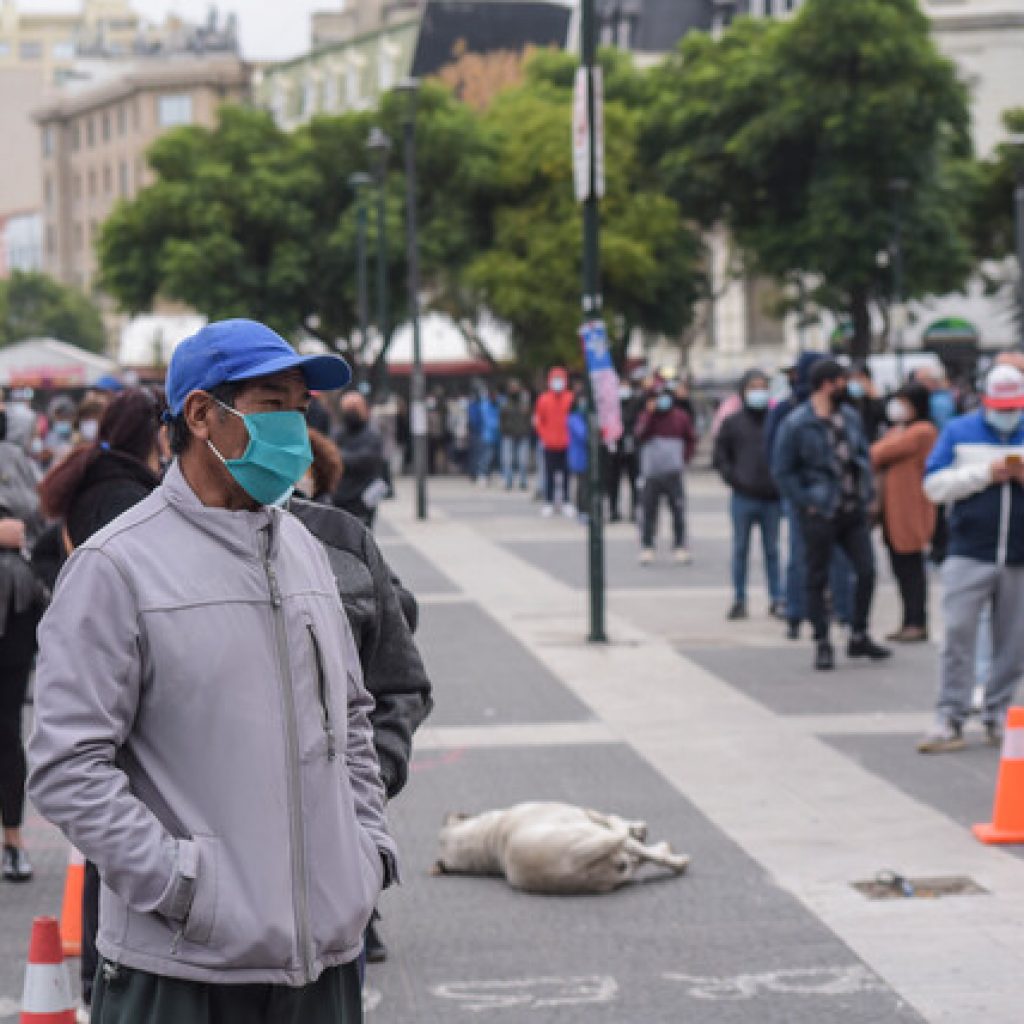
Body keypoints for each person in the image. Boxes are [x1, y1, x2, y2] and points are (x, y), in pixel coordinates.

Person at [29, 319, 395, 1023]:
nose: (294, 430)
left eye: (300, 409)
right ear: (200, 414)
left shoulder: (305, 550)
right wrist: (183, 888)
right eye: (272, 405)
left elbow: (351, 719)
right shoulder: (117, 566)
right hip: (180, 973)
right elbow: (66, 766)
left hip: (324, 962)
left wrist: (365, 855)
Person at [36, 388, 168, 1011]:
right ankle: (100, 968)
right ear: (157, 434)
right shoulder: (128, 498)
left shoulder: (95, 482)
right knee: (111, 834)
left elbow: (45, 553)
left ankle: (98, 967)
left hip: (95, 667)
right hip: (118, 675)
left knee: (101, 840)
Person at [916, 365, 1024, 754]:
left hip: (1018, 556)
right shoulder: (959, 432)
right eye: (1001, 407)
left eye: (1014, 408)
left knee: (1013, 644)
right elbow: (933, 486)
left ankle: (998, 714)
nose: (1007, 414)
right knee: (958, 635)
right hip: (968, 552)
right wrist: (985, 474)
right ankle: (950, 717)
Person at [773, 359, 891, 670]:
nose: (847, 387)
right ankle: (822, 640)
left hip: (852, 509)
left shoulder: (849, 416)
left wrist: (867, 494)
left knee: (866, 571)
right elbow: (783, 470)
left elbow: (862, 456)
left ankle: (858, 633)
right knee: (817, 575)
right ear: (827, 384)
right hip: (821, 510)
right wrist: (806, 501)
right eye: (842, 381)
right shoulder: (798, 423)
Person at [767, 352, 853, 640]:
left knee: (834, 558)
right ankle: (798, 612)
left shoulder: (841, 412)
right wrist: (801, 497)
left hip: (836, 498)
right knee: (803, 557)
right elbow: (778, 461)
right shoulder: (791, 413)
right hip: (806, 498)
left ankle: (841, 612)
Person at [0, 402, 46, 883]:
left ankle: (12, 839)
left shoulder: (15, 458)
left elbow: (38, 519)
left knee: (8, 729)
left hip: (14, 608)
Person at [713, 370, 783, 620]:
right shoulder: (733, 422)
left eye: (762, 387)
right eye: (753, 387)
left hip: (771, 497)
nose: (758, 392)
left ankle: (777, 598)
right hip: (743, 496)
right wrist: (734, 478)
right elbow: (720, 456)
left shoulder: (775, 420)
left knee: (772, 551)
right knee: (740, 549)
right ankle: (739, 599)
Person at [870, 384, 937, 642]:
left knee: (912, 571)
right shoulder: (901, 431)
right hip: (892, 512)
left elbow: (878, 452)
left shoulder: (923, 431)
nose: (898, 408)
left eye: (904, 403)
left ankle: (916, 622)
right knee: (901, 569)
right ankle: (908, 620)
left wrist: (888, 440)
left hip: (910, 512)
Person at [636, 380, 696, 565]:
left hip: (673, 473)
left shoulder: (680, 417)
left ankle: (679, 546)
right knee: (648, 511)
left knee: (678, 510)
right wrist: (650, 415)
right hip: (652, 474)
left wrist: (683, 459)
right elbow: (639, 434)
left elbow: (691, 439)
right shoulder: (646, 416)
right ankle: (647, 546)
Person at [333, 391, 388, 529]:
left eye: (354, 408)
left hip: (363, 498)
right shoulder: (338, 433)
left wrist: (340, 457)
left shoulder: (372, 435)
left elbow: (365, 460)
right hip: (340, 498)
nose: (351, 413)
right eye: (347, 409)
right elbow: (329, 458)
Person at [534, 368, 574, 518]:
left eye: (560, 379)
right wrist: (544, 437)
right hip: (549, 444)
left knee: (566, 475)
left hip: (567, 443)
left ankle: (566, 501)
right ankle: (549, 502)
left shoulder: (570, 398)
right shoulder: (544, 399)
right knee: (549, 474)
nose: (558, 382)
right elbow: (539, 420)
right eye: (555, 379)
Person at [606, 381, 641, 522]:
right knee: (613, 481)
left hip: (632, 448)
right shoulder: (612, 404)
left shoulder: (636, 403)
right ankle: (613, 509)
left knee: (635, 481)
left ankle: (635, 510)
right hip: (615, 448)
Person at [499, 380, 533, 491]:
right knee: (507, 460)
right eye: (512, 387)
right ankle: (508, 481)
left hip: (522, 433)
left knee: (523, 460)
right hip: (508, 434)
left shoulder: (525, 400)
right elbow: (501, 417)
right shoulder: (504, 401)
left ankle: (523, 481)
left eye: (515, 386)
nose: (513, 389)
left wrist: (528, 429)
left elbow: (530, 416)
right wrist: (503, 429)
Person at [846, 364, 886, 443]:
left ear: (868, 379)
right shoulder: (847, 404)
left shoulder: (876, 401)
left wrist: (874, 397)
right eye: (851, 379)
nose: (855, 382)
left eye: (858, 378)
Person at [567, 395, 590, 522]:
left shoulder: (587, 417)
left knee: (587, 485)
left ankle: (587, 509)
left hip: (587, 457)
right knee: (583, 485)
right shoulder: (574, 418)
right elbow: (584, 435)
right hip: (580, 457)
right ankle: (582, 510)